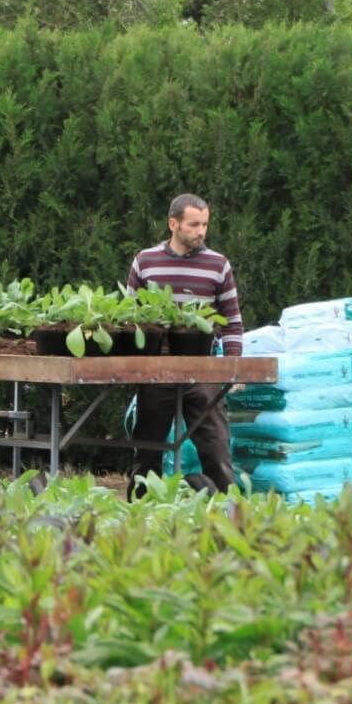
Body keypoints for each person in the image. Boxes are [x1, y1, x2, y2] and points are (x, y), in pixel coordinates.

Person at [126, 193, 245, 495]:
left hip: (201, 368)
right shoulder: (146, 261)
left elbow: (231, 319)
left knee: (216, 446)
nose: (201, 231)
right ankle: (141, 510)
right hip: (156, 368)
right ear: (173, 224)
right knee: (148, 449)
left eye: (205, 224)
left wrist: (233, 367)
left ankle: (228, 511)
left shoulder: (218, 265)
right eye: (194, 224)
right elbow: (128, 319)